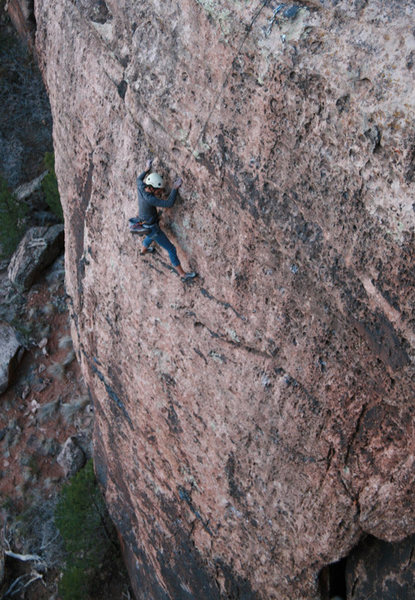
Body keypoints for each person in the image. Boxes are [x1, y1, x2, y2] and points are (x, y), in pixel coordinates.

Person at [130, 160, 197, 281]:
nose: (160, 192)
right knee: (171, 249)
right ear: (152, 188)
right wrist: (175, 188)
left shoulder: (141, 186)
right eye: (159, 190)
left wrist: (146, 169)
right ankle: (182, 274)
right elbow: (169, 203)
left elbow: (139, 178)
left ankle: (143, 250)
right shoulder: (150, 199)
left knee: (151, 235)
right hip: (152, 227)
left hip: (145, 223)